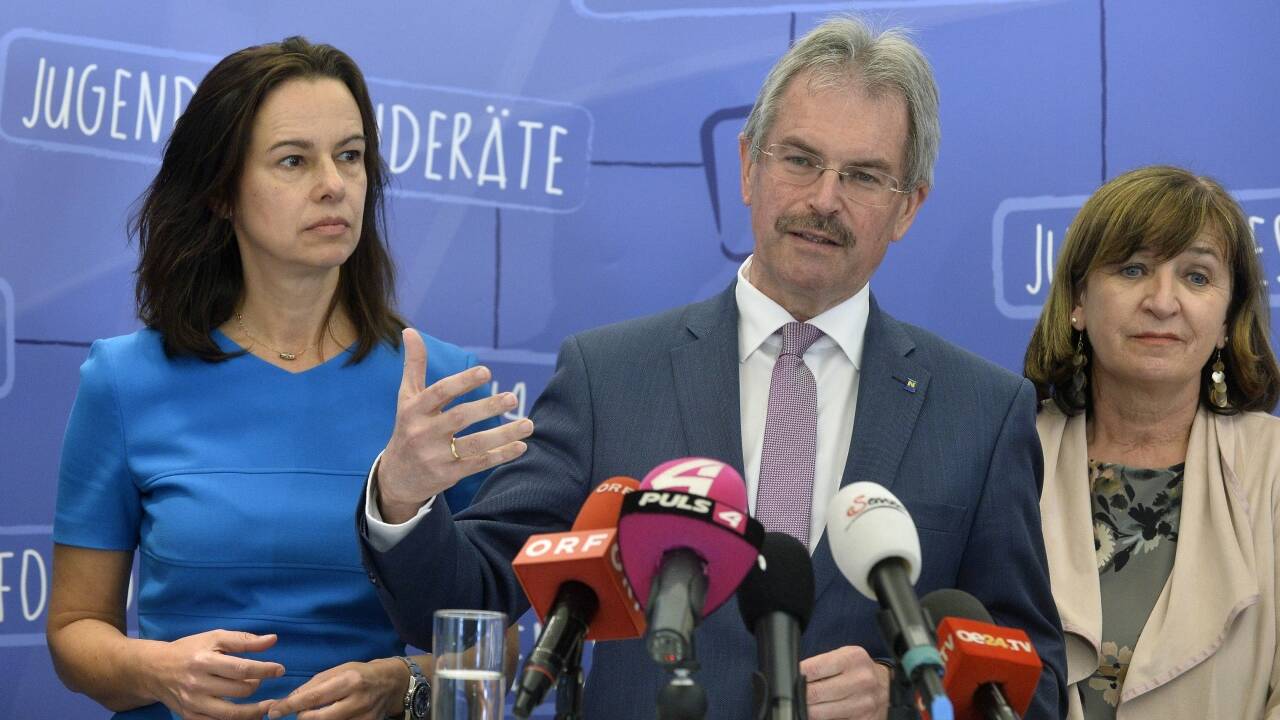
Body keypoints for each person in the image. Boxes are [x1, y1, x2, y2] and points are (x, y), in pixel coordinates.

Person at [362, 16, 1066, 720]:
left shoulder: (980, 412)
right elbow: (469, 602)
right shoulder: (608, 377)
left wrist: (900, 695)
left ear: (908, 206)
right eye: (800, 160)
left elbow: (1033, 681)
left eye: (863, 176)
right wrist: (403, 499)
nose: (825, 199)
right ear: (748, 166)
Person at [46, 37, 531, 720]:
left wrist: (401, 684)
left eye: (350, 156)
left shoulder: (440, 388)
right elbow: (75, 632)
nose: (333, 184)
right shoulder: (124, 381)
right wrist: (160, 670)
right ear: (221, 191)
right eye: (294, 161)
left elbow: (493, 640)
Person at [1025, 165, 1280, 718]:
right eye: (1133, 269)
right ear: (1078, 300)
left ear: (1226, 319)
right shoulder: (1009, 455)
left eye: (1197, 277)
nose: (1163, 302)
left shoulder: (1274, 469)